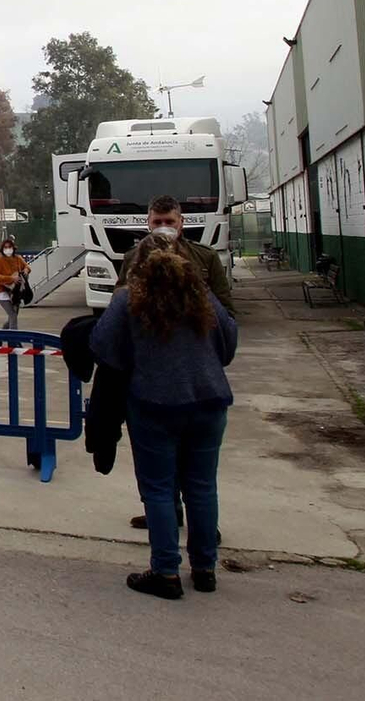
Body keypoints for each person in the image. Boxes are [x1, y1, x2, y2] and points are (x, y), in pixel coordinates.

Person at [91, 233, 237, 599]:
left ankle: (166, 572)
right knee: (202, 487)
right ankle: (205, 569)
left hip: (154, 404)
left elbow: (102, 346)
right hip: (208, 400)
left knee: (158, 489)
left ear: (136, 265)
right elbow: (229, 342)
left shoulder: (128, 300)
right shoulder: (202, 297)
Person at [146, 195, 235, 315]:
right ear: (149, 224)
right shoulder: (133, 258)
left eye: (169, 222)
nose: (163, 227)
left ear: (181, 222)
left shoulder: (206, 256)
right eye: (157, 222)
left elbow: (225, 308)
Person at [0, 238, 30, 330]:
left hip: (16, 292)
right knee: (13, 315)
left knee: (12, 316)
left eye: (10, 247)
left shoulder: (18, 258)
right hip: (3, 292)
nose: (8, 249)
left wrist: (26, 270)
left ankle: (1, 334)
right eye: (5, 247)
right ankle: (14, 340)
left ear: (13, 248)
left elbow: (26, 266)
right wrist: (11, 278)